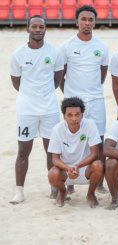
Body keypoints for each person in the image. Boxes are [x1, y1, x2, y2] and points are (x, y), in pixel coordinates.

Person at [9, 15, 64, 204]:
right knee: (23, 151)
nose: (38, 29)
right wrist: (30, 95)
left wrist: (44, 94)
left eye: (42, 26)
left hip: (49, 109)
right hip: (26, 110)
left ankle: (54, 188)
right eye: (34, 26)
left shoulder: (54, 52)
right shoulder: (18, 55)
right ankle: (19, 191)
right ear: (27, 29)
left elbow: (57, 79)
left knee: (52, 151)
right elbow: (16, 83)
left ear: (45, 29)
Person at [60, 5, 109, 193]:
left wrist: (92, 90)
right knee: (71, 141)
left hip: (96, 100)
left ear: (94, 23)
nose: (87, 23)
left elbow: (102, 75)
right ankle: (70, 181)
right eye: (84, 19)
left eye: (90, 19)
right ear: (77, 21)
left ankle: (99, 183)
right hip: (74, 102)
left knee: (98, 141)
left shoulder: (102, 47)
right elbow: (61, 76)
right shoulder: (67, 46)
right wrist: (71, 96)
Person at [48, 97, 104, 208]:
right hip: (66, 171)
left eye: (77, 114)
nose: (74, 118)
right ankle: (63, 192)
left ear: (82, 115)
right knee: (52, 174)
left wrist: (78, 166)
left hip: (85, 168)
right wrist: (68, 168)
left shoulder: (90, 124)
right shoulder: (57, 130)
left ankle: (90, 194)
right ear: (64, 116)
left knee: (99, 165)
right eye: (70, 115)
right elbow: (55, 159)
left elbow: (95, 154)